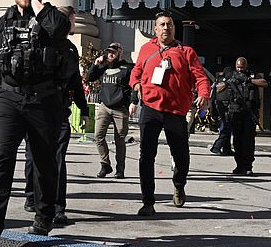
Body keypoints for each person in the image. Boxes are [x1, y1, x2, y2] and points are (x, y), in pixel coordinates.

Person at [0, 0, 77, 247]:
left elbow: (60, 30)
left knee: (43, 161)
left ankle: (44, 215)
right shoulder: (3, 23)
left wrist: (39, 7)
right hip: (9, 98)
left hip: (44, 100)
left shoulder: (49, 16)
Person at [129, 11, 210, 216]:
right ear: (155, 29)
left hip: (175, 111)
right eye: (162, 25)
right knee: (146, 155)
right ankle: (148, 201)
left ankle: (179, 184)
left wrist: (203, 94)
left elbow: (201, 77)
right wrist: (136, 84)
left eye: (170, 25)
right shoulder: (146, 49)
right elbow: (135, 72)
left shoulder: (186, 52)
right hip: (150, 108)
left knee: (181, 154)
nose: (166, 28)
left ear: (175, 28)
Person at [23, 5, 88, 226]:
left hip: (56, 110)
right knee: (40, 157)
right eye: (71, 20)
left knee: (51, 157)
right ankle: (41, 201)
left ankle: (48, 204)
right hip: (39, 108)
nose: (72, 24)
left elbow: (74, 81)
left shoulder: (68, 49)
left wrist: (83, 107)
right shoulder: (40, 43)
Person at [87, 42, 134, 179]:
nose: (111, 54)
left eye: (114, 51)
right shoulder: (103, 68)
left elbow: (134, 86)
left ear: (120, 52)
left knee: (120, 140)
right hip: (104, 107)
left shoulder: (128, 68)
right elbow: (90, 78)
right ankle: (105, 164)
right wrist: (96, 64)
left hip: (120, 108)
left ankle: (120, 170)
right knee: (98, 136)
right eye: (109, 51)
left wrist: (133, 102)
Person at [225, 57, 268, 176]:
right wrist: (229, 81)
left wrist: (248, 79)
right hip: (235, 112)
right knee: (237, 141)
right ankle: (239, 166)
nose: (240, 70)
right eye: (238, 67)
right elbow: (219, 88)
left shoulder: (252, 75)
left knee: (248, 141)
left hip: (249, 113)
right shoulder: (231, 75)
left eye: (242, 68)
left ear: (246, 66)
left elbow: (264, 83)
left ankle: (248, 166)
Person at [209, 66, 234, 156]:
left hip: (219, 107)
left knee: (227, 127)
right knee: (226, 128)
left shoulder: (217, 81)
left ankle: (227, 149)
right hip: (226, 108)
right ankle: (216, 147)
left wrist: (213, 113)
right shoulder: (230, 80)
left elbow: (212, 98)